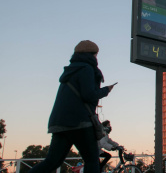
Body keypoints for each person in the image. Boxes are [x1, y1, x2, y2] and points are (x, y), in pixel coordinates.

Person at [29, 40, 116, 173]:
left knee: (52, 162)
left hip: (59, 123)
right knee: (92, 161)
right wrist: (106, 90)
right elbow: (88, 95)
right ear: (92, 55)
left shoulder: (69, 72)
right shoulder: (86, 69)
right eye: (96, 55)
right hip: (79, 122)